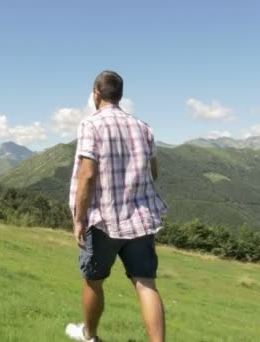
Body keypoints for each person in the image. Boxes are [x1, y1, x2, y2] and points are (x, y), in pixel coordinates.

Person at [65, 70, 168, 342]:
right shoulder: (144, 127)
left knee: (93, 281)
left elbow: (87, 174)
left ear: (96, 94)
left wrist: (78, 219)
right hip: (141, 219)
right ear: (120, 95)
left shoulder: (92, 125)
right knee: (146, 284)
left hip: (103, 221)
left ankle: (90, 336)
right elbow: (153, 172)